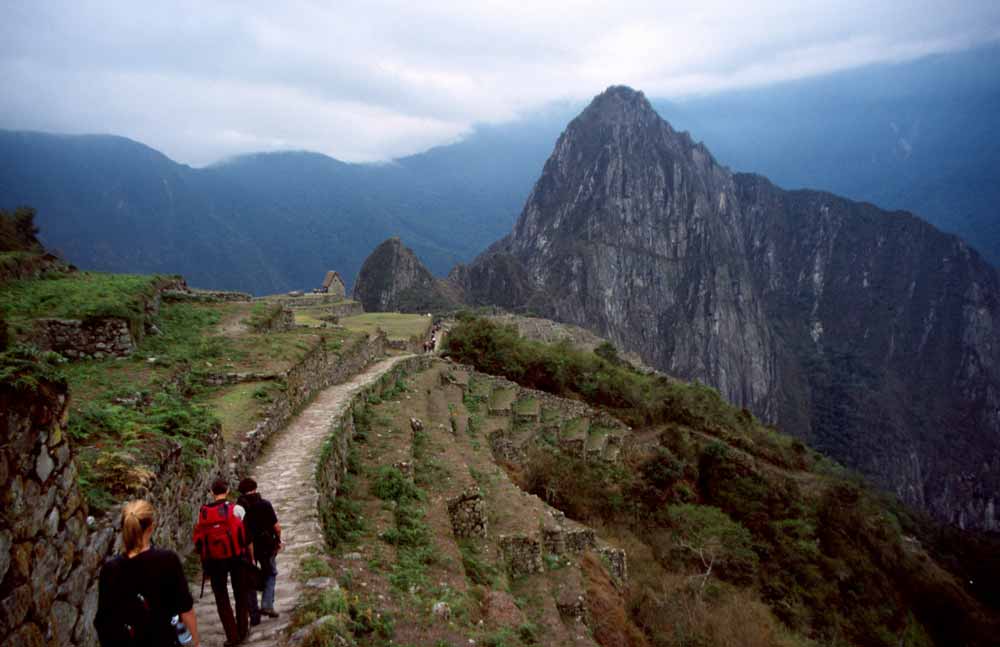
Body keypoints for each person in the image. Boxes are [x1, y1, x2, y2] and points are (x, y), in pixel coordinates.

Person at [95, 500, 200, 647]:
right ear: (151, 527)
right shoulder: (167, 560)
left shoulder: (110, 569)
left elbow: (104, 620)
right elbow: (185, 607)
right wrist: (195, 641)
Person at [193, 479, 252, 647]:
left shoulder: (203, 513)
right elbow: (246, 536)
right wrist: (250, 557)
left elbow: (199, 540)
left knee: (221, 598)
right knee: (240, 593)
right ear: (227, 490)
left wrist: (205, 562)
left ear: (212, 492)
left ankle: (231, 636)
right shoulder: (237, 509)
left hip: (214, 560)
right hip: (236, 557)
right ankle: (243, 630)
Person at [236, 477, 283, 624]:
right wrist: (279, 540)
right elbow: (276, 527)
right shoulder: (264, 504)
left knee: (249, 580)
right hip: (266, 545)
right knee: (271, 573)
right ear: (255, 488)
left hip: (246, 547)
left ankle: (254, 615)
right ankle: (267, 604)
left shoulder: (238, 509)